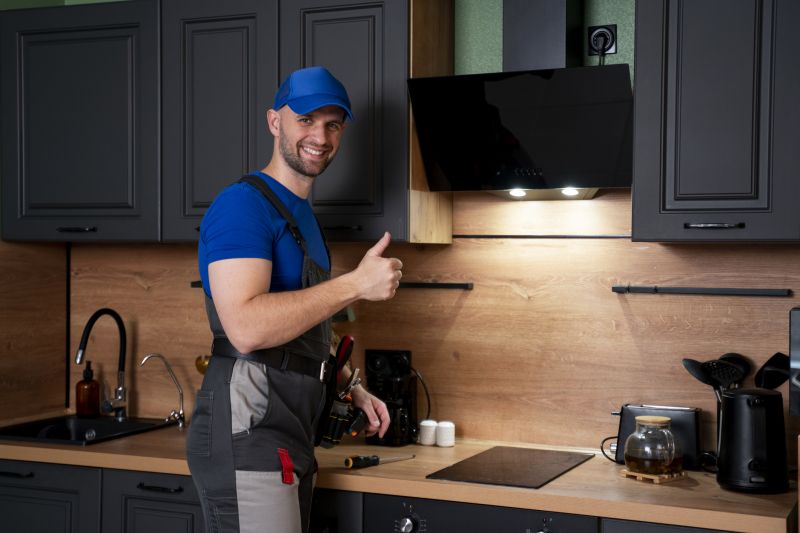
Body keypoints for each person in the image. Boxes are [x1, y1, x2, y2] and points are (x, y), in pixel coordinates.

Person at [187, 66, 402, 533]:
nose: (319, 136)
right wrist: (355, 285)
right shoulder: (242, 205)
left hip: (291, 430)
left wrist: (350, 386)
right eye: (305, 119)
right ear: (274, 121)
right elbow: (246, 328)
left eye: (332, 124)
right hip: (246, 428)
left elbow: (301, 324)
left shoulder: (302, 216)